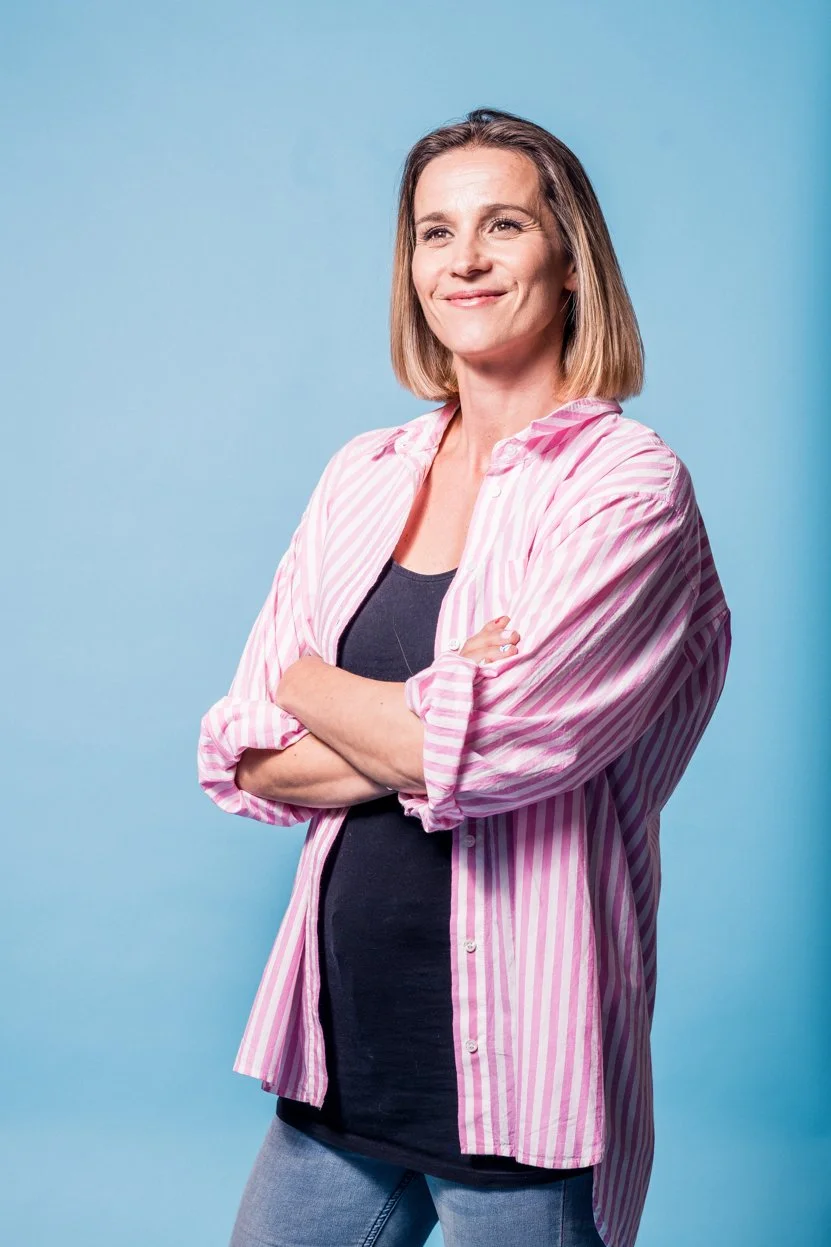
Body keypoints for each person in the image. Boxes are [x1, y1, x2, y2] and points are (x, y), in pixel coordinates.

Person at [197, 106, 732, 1247]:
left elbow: (494, 745)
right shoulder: (361, 473)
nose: (466, 260)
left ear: (571, 259)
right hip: (342, 1056)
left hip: (519, 1090)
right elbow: (243, 745)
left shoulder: (627, 486)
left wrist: (324, 685)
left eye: (502, 225)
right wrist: (437, 691)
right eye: (435, 233)